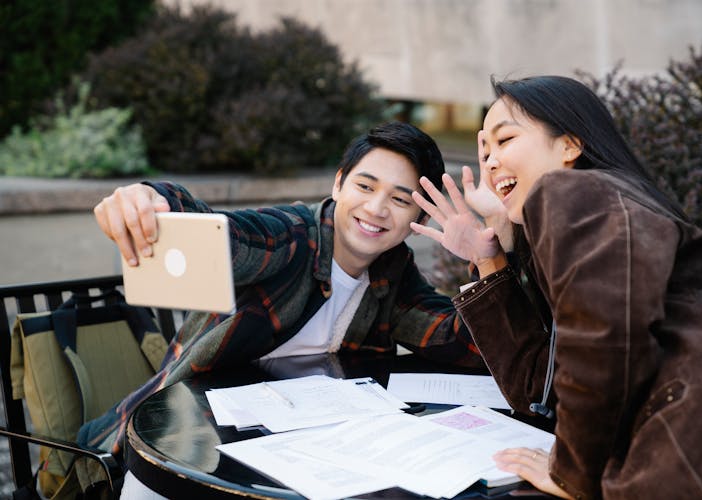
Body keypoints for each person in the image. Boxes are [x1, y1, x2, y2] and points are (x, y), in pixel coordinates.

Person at [81, 122, 485, 495]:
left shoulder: (392, 271)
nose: (377, 209)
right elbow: (224, 233)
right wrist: (152, 198)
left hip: (301, 450)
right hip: (184, 449)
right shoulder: (292, 235)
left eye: (399, 199)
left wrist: (489, 251)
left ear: (418, 215)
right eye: (365, 186)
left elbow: (463, 343)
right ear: (339, 183)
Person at [411, 75, 702, 499]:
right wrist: (490, 256)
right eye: (485, 151)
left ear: (570, 145)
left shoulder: (578, 193)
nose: (492, 161)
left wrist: (571, 473)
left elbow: (605, 345)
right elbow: (539, 392)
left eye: (506, 139)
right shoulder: (600, 213)